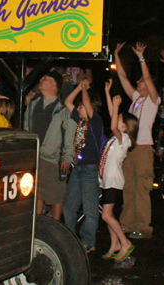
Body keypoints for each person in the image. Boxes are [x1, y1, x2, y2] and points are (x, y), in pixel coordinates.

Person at [114, 41, 160, 240]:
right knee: (129, 188)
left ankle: (143, 226)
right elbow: (123, 78)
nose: (139, 82)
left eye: (141, 81)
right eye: (139, 81)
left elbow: (148, 78)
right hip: (130, 149)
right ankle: (126, 224)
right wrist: (116, 56)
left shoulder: (153, 100)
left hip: (143, 149)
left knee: (142, 189)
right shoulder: (136, 100)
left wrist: (141, 58)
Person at [23, 69, 75, 220]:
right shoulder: (33, 105)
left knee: (56, 196)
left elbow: (70, 134)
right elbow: (26, 127)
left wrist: (67, 157)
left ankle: (55, 226)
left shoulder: (63, 110)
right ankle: (38, 225)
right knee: (38, 193)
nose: (41, 80)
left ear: (54, 84)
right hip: (35, 157)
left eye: (45, 78)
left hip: (53, 159)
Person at [62, 78, 105, 253]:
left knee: (90, 209)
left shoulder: (95, 122)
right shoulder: (80, 121)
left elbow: (86, 102)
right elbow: (67, 102)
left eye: (81, 106)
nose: (78, 108)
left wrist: (85, 89)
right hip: (78, 167)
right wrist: (79, 87)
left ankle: (88, 241)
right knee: (69, 207)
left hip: (89, 169)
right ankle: (71, 237)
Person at [100, 79, 138, 261]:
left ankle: (125, 242)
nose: (117, 119)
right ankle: (114, 243)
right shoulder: (118, 138)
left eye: (121, 119)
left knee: (106, 215)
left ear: (126, 127)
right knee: (109, 215)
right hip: (107, 180)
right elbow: (112, 116)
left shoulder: (124, 140)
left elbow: (113, 125)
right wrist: (108, 94)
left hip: (113, 181)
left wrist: (116, 106)